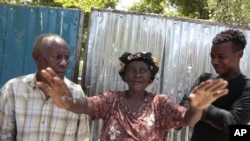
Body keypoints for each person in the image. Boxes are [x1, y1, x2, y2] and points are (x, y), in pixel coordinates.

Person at [37, 51, 228, 141]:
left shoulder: (160, 103)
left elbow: (187, 120)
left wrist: (197, 108)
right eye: (132, 70)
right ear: (125, 76)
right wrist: (68, 102)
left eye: (143, 71)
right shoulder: (111, 99)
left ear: (150, 79)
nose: (137, 74)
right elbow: (86, 105)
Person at [0, 33, 90, 141]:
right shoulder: (13, 90)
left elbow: (83, 138)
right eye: (57, 56)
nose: (64, 63)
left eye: (66, 57)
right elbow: (4, 135)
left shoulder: (75, 94)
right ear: (37, 57)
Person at [180, 29, 250, 141]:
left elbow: (235, 126)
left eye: (221, 57)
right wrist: (213, 117)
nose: (214, 61)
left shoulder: (246, 87)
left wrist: (200, 107)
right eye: (212, 56)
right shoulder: (205, 79)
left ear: (239, 55)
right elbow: (181, 111)